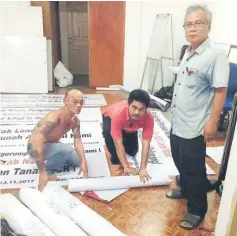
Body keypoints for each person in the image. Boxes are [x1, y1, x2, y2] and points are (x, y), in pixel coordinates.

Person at [166, 4, 230, 230]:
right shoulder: (189, 51)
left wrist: (212, 122)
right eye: (189, 24)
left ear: (208, 26)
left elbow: (220, 91)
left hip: (195, 125)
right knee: (179, 159)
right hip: (178, 122)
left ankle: (196, 209)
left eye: (198, 23)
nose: (193, 28)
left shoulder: (216, 55)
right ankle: (186, 190)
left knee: (193, 167)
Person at [27, 88, 88, 191]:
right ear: (65, 101)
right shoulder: (53, 119)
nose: (79, 105)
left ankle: (54, 156)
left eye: (81, 102)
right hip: (34, 147)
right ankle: (49, 171)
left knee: (78, 160)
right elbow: (36, 141)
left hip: (52, 145)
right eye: (75, 101)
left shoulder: (75, 121)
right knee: (66, 150)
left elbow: (77, 139)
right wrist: (43, 172)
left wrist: (83, 161)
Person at [102, 89, 154, 183]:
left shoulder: (149, 118)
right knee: (110, 136)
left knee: (132, 151)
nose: (137, 112)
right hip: (110, 117)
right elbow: (118, 143)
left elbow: (146, 144)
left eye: (141, 109)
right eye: (134, 108)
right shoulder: (118, 114)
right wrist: (126, 166)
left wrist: (143, 168)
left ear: (146, 109)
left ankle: (125, 133)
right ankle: (115, 155)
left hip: (129, 125)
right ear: (128, 105)